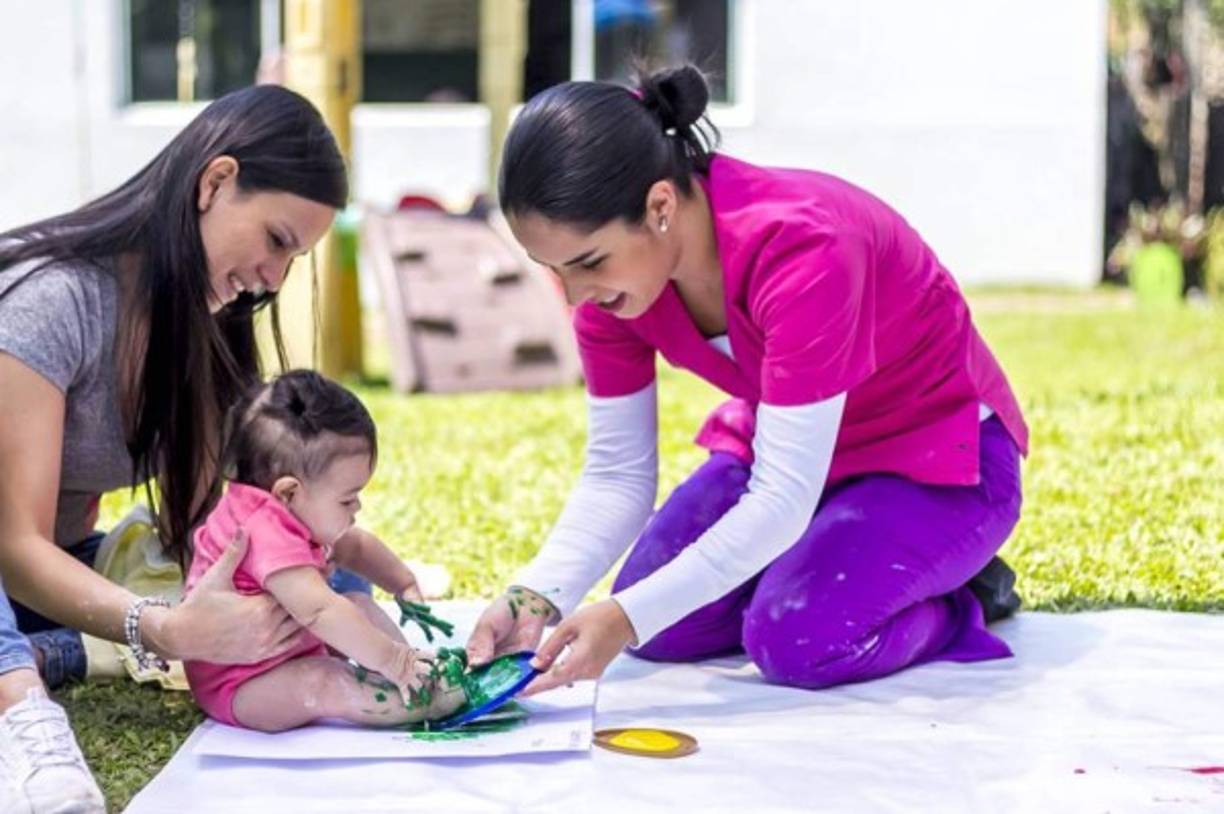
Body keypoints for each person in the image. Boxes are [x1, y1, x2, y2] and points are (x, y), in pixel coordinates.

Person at [466, 65, 1029, 699]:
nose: (574, 294)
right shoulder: (612, 295)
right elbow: (618, 474)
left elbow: (783, 496)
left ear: (659, 206)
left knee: (797, 641)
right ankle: (823, 560)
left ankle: (960, 596)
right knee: (661, 627)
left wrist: (623, 620)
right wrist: (538, 593)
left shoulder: (805, 249)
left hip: (939, 464)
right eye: (552, 268)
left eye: (587, 262)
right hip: (788, 455)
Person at [0, 85, 397, 811]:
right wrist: (165, 627)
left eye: (294, 259)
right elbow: (16, 548)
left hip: (47, 585)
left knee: (325, 586)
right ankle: (21, 714)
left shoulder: (205, 325)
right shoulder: (51, 303)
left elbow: (219, 524)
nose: (274, 280)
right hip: (10, 572)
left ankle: (65, 652)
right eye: (277, 241)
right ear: (215, 182)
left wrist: (296, 578)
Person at [184, 370, 465, 732]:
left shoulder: (291, 508)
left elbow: (356, 546)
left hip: (283, 647)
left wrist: (404, 584)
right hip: (240, 684)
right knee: (323, 679)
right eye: (347, 498)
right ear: (288, 492)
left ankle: (417, 674)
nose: (357, 507)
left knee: (359, 606)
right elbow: (319, 610)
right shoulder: (259, 529)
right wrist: (392, 660)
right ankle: (417, 694)